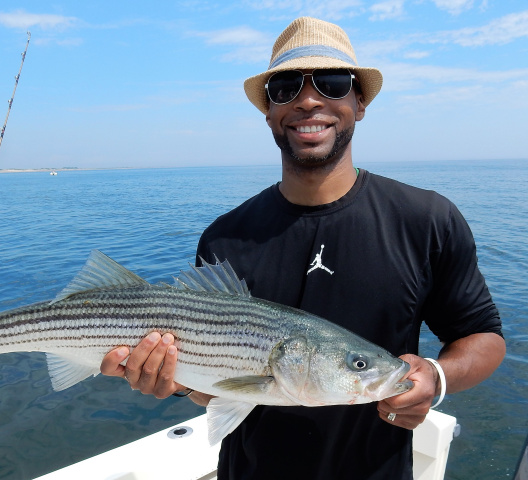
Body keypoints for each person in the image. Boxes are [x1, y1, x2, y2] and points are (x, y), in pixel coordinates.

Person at [100, 16, 505, 479]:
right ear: (268, 110)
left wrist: (435, 375)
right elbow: (220, 388)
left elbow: (484, 337)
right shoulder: (224, 236)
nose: (309, 100)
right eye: (286, 87)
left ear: (361, 101)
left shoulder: (426, 220)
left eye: (333, 84)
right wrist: (173, 380)